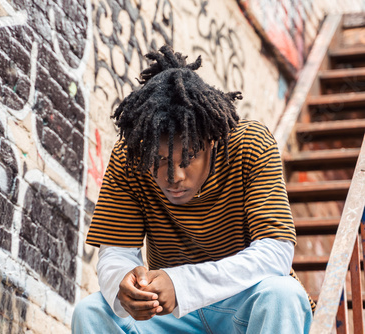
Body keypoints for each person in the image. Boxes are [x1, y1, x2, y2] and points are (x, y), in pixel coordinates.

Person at [72, 45, 313, 333]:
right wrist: (123, 284)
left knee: (283, 295)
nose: (174, 176)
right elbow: (116, 252)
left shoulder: (250, 144)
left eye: (187, 158)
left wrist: (181, 284)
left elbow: (275, 252)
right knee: (91, 312)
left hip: (243, 307)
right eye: (158, 161)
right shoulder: (130, 157)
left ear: (211, 141)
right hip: (170, 318)